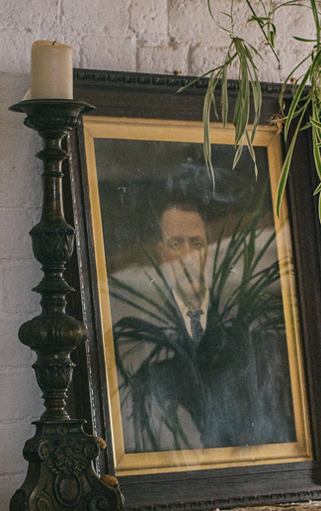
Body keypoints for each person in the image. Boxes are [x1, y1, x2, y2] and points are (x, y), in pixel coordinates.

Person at [108, 190, 299, 456]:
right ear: (163, 254)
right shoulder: (145, 334)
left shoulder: (246, 322)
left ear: (208, 251)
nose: (188, 256)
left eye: (196, 244)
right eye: (176, 244)